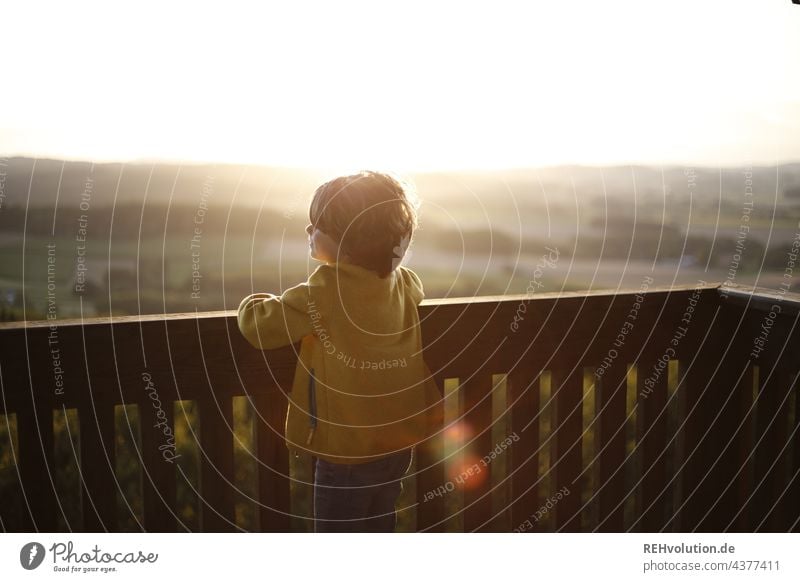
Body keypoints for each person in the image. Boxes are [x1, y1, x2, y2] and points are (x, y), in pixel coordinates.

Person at [237, 170, 441, 532]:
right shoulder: (403, 284)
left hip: (346, 452)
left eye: (317, 226)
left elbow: (261, 326)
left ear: (347, 243)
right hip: (395, 443)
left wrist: (252, 301)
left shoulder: (323, 291)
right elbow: (416, 290)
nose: (308, 231)